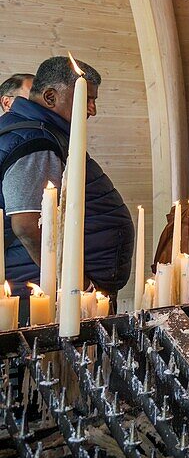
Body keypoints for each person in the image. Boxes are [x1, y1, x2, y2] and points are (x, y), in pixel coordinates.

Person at [0, 57, 134, 310]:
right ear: (50, 97)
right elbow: (29, 226)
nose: (92, 110)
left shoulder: (38, 132)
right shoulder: (36, 141)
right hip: (53, 294)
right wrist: (79, 287)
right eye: (87, 99)